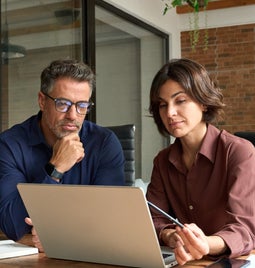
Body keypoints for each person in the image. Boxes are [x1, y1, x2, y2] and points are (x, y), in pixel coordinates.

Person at [0, 59, 125, 245]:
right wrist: (55, 168)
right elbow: (12, 225)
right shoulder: (9, 145)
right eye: (63, 104)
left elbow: (112, 222)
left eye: (82, 106)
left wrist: (60, 234)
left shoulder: (104, 143)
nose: (73, 115)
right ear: (42, 101)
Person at [146, 58, 255, 265]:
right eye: (162, 104)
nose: (169, 113)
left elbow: (245, 230)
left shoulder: (239, 152)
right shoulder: (162, 160)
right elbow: (153, 218)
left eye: (180, 101)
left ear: (203, 102)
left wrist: (206, 243)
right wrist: (170, 235)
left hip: (233, 261)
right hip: (186, 260)